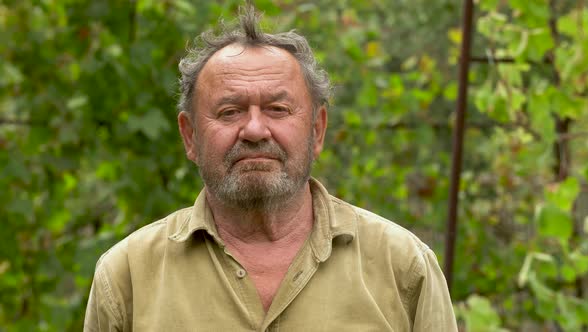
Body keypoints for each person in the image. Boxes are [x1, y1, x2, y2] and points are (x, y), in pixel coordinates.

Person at [84, 5, 457, 332]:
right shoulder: (127, 276)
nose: (255, 130)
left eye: (278, 110)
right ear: (190, 136)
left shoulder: (403, 266)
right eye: (229, 112)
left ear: (317, 130)